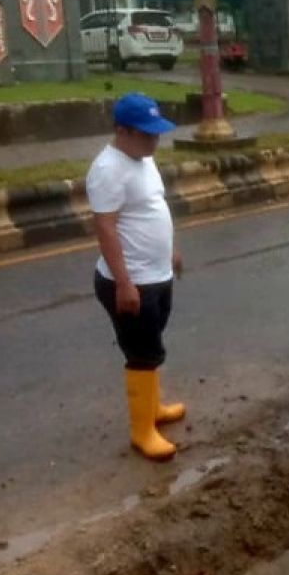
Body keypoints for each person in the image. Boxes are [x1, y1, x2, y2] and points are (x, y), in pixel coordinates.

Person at [87, 93, 185, 462]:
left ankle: (153, 407)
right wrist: (124, 283)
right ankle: (142, 431)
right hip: (131, 282)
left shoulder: (143, 159)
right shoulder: (107, 169)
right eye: (146, 135)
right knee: (141, 354)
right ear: (121, 131)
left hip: (156, 274)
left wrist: (171, 249)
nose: (154, 141)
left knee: (152, 343)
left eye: (156, 133)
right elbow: (106, 229)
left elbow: (155, 207)